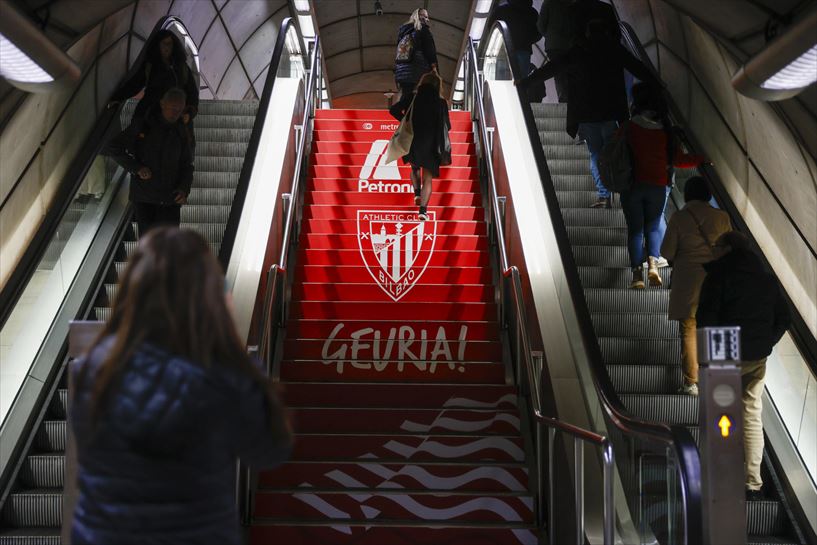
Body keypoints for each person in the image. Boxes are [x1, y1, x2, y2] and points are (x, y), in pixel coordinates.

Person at [68, 227, 293, 545]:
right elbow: (270, 450)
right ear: (208, 295)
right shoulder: (221, 374)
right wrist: (233, 347)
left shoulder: (92, 369)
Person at [517, 18, 656, 209]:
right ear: (606, 33)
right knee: (615, 151)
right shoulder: (613, 49)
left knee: (595, 153)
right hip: (611, 112)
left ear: (586, 33)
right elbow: (637, 67)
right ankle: (622, 192)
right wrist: (657, 84)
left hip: (586, 113)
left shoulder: (578, 51)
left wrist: (526, 82)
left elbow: (552, 68)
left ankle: (603, 195)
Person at [697, 231, 790, 499]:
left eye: (716, 246)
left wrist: (707, 359)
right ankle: (752, 483)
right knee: (750, 416)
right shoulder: (767, 279)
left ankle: (722, 479)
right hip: (756, 356)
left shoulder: (719, 275)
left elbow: (707, 317)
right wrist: (767, 343)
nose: (713, 251)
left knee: (722, 415)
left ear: (727, 249)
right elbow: (784, 319)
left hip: (725, 350)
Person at [620, 83, 707, 289]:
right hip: (658, 185)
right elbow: (678, 160)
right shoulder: (667, 130)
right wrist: (701, 160)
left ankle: (636, 276)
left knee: (635, 231)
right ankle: (653, 266)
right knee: (652, 227)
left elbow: (615, 150)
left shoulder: (629, 127)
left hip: (633, 185)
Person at [660, 176, 732, 396]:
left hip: (689, 282)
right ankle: (720, 383)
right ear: (708, 195)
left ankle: (691, 383)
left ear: (688, 194)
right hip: (717, 280)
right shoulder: (722, 218)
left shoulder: (680, 218)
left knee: (689, 330)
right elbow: (730, 250)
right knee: (716, 328)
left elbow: (667, 252)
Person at [105, 87, 193, 237]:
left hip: (170, 199)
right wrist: (136, 168)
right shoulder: (144, 125)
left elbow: (186, 165)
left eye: (179, 109)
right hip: (145, 198)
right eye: (172, 108)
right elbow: (113, 147)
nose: (175, 113)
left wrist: (184, 189)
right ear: (162, 104)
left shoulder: (182, 131)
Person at [110, 29, 199, 129]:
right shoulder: (150, 66)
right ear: (157, 45)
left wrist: (189, 113)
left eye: (169, 44)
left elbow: (192, 92)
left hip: (173, 116)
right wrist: (117, 98)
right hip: (150, 115)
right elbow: (134, 84)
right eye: (163, 44)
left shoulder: (182, 68)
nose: (167, 48)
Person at [403, 71, 450, 221]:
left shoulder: (413, 97)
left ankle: (416, 193)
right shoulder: (441, 102)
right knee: (428, 179)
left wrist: (406, 121)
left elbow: (395, 110)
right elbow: (447, 126)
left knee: (414, 167)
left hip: (414, 139)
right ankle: (423, 211)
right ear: (438, 85)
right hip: (432, 143)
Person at [389, 8, 438, 121]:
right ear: (418, 16)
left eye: (427, 17)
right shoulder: (423, 30)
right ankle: (407, 121)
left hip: (402, 72)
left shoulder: (404, 32)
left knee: (408, 97)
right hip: (418, 71)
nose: (426, 19)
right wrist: (434, 67)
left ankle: (406, 123)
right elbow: (430, 51)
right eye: (424, 16)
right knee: (419, 98)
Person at [537, 0, 576, 102]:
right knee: (572, 74)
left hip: (554, 46)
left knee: (559, 75)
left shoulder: (548, 2)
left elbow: (540, 25)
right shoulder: (572, 3)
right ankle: (574, 100)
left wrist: (550, 36)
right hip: (571, 45)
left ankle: (563, 101)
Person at [492, 0, 541, 76]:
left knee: (503, 79)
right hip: (524, 50)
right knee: (522, 79)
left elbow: (491, 28)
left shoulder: (501, 10)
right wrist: (527, 40)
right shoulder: (533, 13)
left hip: (503, 50)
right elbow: (539, 33)